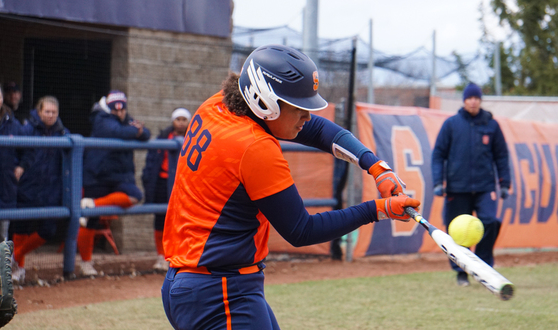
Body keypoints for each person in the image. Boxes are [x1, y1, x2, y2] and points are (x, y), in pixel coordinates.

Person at [160, 44, 420, 329]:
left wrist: (375, 166)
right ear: (265, 102)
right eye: (299, 108)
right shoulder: (255, 147)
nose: (306, 117)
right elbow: (301, 231)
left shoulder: (219, 104)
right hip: (218, 292)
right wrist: (377, 210)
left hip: (200, 284)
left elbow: (320, 130)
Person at [431, 82, 511, 287]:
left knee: (489, 222)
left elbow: (501, 156)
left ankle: (483, 266)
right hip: (457, 189)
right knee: (457, 232)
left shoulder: (491, 125)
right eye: (469, 98)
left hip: (485, 187)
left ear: (480, 100)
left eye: (476, 97)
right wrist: (438, 182)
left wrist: (504, 183)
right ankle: (461, 272)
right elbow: (438, 154)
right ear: (464, 100)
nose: (473, 101)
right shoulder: (451, 124)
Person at [78, 90, 151, 276]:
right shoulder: (100, 118)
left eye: (122, 110)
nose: (119, 113)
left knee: (135, 196)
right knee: (89, 221)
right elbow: (117, 132)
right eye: (115, 110)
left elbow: (146, 133)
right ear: (109, 108)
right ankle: (85, 263)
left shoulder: (126, 118)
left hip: (119, 177)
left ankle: (92, 204)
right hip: (96, 173)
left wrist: (138, 131)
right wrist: (135, 130)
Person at [11, 96, 69, 284]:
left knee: (48, 230)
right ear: (39, 111)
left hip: (51, 190)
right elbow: (15, 153)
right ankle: (17, 270)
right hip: (28, 187)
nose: (51, 115)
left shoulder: (62, 133)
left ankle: (14, 258)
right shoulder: (26, 129)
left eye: (54, 112)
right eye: (47, 112)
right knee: (21, 229)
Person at [142, 107, 191, 271]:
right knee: (160, 220)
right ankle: (161, 256)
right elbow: (151, 162)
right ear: (173, 121)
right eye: (178, 119)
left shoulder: (195, 137)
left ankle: (180, 256)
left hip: (185, 184)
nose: (181, 123)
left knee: (183, 221)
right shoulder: (163, 137)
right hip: (163, 183)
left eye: (184, 119)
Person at [0, 82, 28, 247]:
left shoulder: (12, 123)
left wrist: (21, 166)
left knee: (0, 235)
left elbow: (28, 148)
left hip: (5, 188)